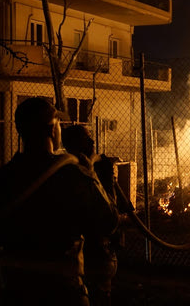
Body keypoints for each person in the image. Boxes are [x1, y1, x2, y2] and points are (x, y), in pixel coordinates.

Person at [0, 97, 119, 306]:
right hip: (64, 292)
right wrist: (94, 176)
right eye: (59, 124)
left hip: (17, 292)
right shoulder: (73, 175)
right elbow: (109, 222)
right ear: (52, 130)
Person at [62, 124, 131, 306]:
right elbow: (111, 215)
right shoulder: (81, 170)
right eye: (86, 138)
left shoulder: (66, 167)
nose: (92, 141)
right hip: (95, 251)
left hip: (93, 252)